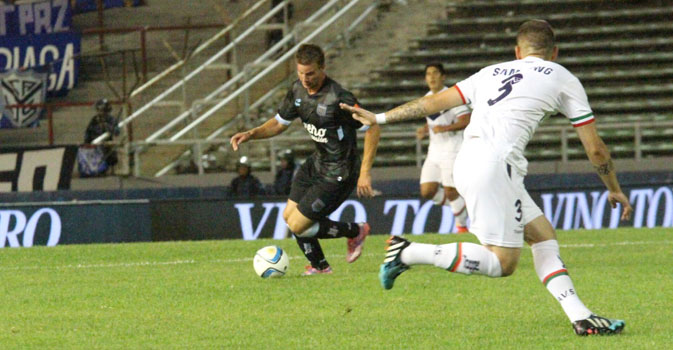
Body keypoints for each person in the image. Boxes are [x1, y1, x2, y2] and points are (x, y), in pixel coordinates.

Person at [341, 20, 634, 336]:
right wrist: (614, 188)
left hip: (469, 160)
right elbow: (596, 150)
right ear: (555, 53)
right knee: (503, 264)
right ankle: (408, 252)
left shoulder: (490, 72)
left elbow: (432, 103)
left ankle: (581, 316)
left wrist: (380, 117)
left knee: (542, 234)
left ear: (517, 51)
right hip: (496, 166)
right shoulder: (563, 77)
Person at [231, 44, 380, 275]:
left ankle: (354, 231)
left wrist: (365, 172)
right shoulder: (297, 91)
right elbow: (279, 123)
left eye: (310, 73)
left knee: (299, 225)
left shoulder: (339, 98)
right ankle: (320, 267)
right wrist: (252, 134)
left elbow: (373, 126)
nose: (305, 79)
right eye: (300, 73)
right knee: (289, 217)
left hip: (340, 171)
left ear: (322, 68)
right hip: (316, 163)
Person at [416, 63, 471, 233]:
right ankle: (465, 208)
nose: (431, 77)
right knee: (427, 191)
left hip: (453, 148)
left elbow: (466, 120)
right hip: (434, 150)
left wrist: (445, 129)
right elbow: (434, 121)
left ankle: (462, 227)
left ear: (443, 76)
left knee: (450, 190)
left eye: (435, 73)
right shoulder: (426, 98)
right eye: (428, 74)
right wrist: (425, 129)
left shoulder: (452, 96)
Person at [82, 99, 120, 174]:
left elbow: (116, 131)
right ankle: (97, 169)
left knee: (110, 152)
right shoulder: (94, 119)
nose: (101, 113)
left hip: (106, 142)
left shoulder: (111, 119)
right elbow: (88, 131)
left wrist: (107, 126)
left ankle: (110, 168)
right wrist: (87, 142)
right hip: (95, 142)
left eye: (102, 110)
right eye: (99, 110)